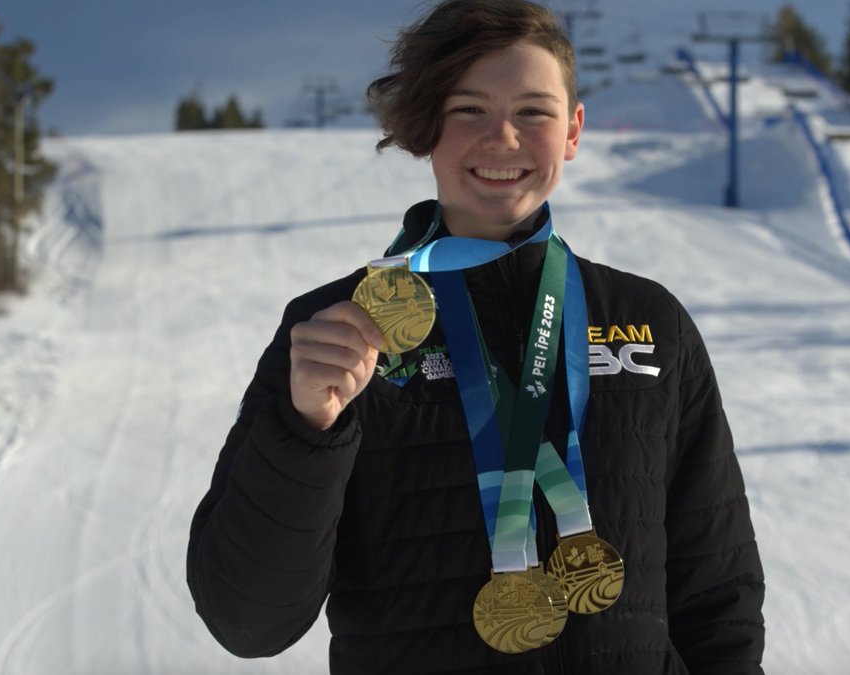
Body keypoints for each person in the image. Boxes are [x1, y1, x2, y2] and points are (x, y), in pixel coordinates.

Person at [186, 1, 765, 673]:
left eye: (533, 111)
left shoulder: (651, 323)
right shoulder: (334, 329)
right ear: (428, 123)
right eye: (468, 111)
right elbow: (247, 619)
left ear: (574, 130)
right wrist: (305, 427)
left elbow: (717, 593)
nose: (504, 138)